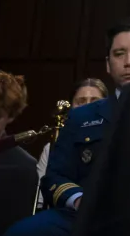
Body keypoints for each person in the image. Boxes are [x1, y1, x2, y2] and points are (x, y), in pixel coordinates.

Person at [5, 17, 130, 236]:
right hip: (85, 217)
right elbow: (55, 178)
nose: (129, 62)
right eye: (119, 54)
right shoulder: (80, 117)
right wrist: (79, 200)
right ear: (108, 64)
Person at [33, 80, 107, 210]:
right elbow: (41, 197)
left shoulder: (114, 139)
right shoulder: (52, 146)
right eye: (81, 102)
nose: (87, 107)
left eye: (95, 101)